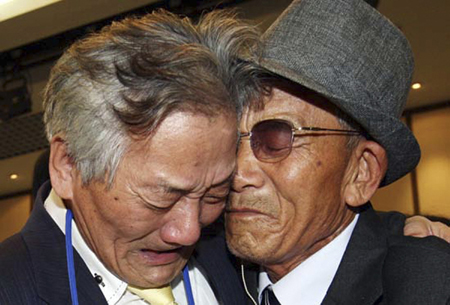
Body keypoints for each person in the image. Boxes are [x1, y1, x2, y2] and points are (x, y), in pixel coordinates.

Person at [0, 9, 261, 305]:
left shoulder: (246, 261)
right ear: (68, 166)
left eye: (214, 195)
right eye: (161, 197)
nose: (188, 232)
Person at [225, 0, 450, 304]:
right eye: (229, 140)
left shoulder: (427, 287)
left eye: (276, 138)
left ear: (361, 173)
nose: (238, 172)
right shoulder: (197, 261)